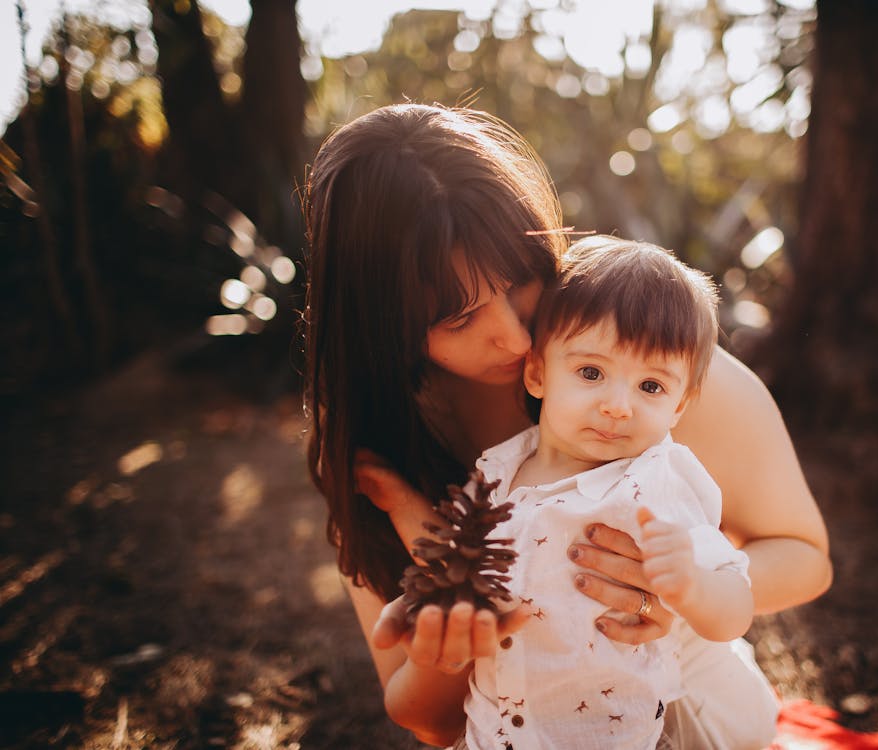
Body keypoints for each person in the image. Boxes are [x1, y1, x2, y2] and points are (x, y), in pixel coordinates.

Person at [301, 102, 832, 749]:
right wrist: (451, 648)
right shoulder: (375, 447)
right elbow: (433, 724)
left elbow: (804, 556)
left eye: (521, 280)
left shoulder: (645, 367)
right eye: (458, 318)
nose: (514, 334)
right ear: (383, 328)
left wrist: (684, 595)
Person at [458, 236, 755, 750]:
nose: (619, 406)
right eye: (591, 372)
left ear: (680, 407)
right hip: (491, 732)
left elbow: (735, 610)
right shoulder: (497, 469)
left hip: (610, 736)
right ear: (537, 372)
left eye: (651, 387)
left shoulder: (654, 485)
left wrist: (690, 586)